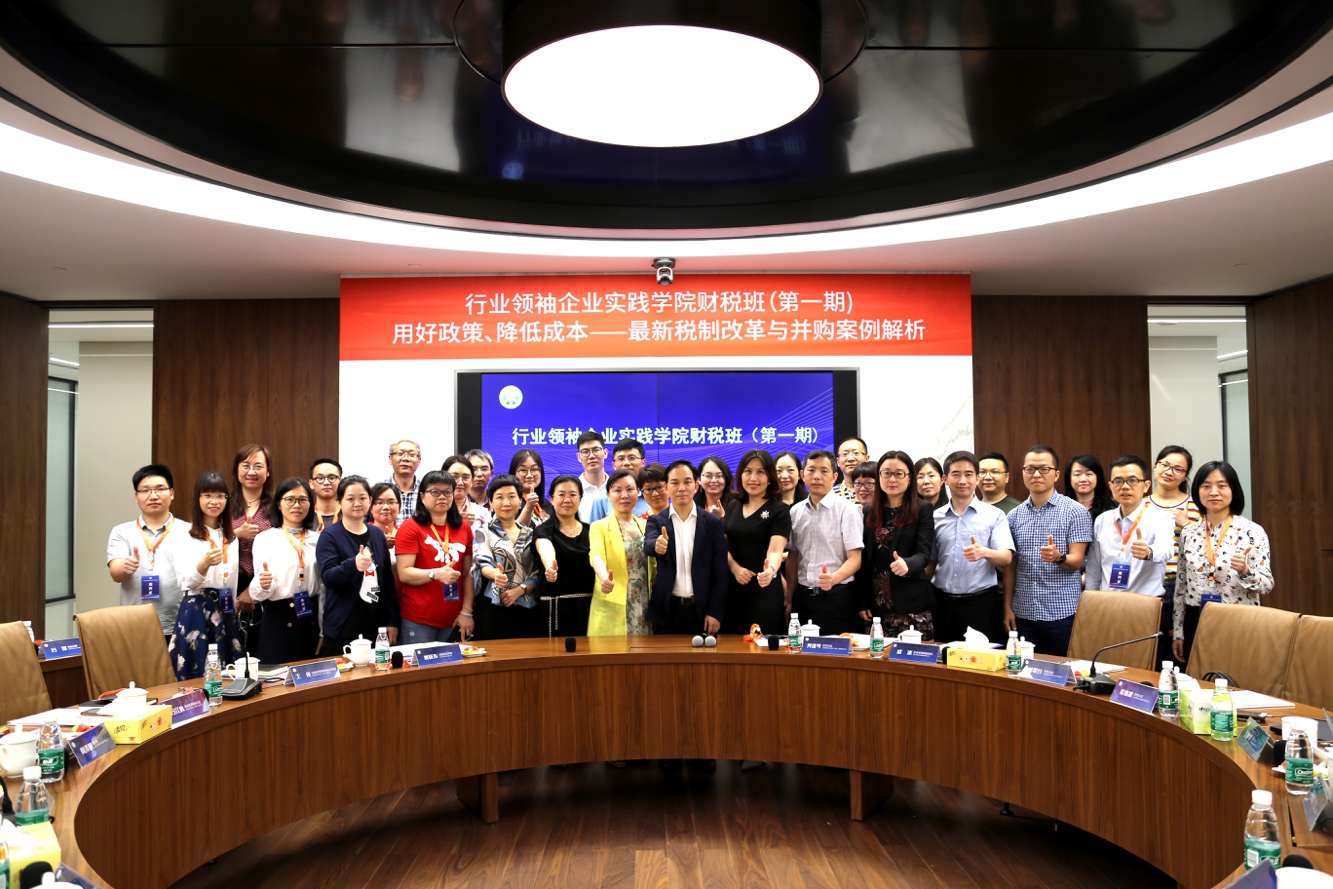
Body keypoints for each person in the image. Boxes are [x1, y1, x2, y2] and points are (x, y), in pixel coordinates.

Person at [1172, 461, 1274, 665]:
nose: (1213, 492)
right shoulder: (1189, 532)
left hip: (1238, 617)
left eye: (1221, 485)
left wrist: (1245, 571)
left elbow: (1267, 585)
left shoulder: (1253, 531)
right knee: (1198, 677)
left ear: (1233, 490)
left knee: (1236, 676)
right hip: (1196, 616)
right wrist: (1178, 632)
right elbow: (1181, 586)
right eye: (1206, 486)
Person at [1004, 446, 1093, 656]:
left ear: (1056, 474)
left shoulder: (1075, 512)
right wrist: (1007, 607)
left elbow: (1077, 561)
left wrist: (1058, 557)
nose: (1036, 474)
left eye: (1044, 469)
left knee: (1064, 669)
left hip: (1062, 612)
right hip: (1024, 611)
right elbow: (1011, 567)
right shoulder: (1014, 516)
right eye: (1030, 469)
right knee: (1024, 669)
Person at [1084, 455, 1176, 657]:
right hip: (1108, 607)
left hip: (1145, 608)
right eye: (1118, 481)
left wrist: (1149, 552)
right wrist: (1092, 603)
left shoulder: (1161, 518)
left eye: (1133, 480)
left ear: (1146, 486)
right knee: (1109, 662)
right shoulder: (1102, 520)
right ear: (1110, 486)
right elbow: (1094, 568)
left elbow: (1166, 549)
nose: (1125, 487)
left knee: (1145, 665)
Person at [930, 451, 1014, 645]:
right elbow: (932, 561)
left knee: (980, 658)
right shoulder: (935, 517)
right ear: (945, 479)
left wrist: (984, 552)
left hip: (981, 603)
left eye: (968, 474)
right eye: (956, 474)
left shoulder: (994, 515)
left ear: (977, 478)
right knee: (943, 657)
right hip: (943, 603)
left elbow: (1006, 558)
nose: (962, 480)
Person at [168, 470, 245, 678]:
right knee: (196, 674)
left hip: (225, 608)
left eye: (220, 496)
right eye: (207, 495)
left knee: (229, 674)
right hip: (197, 608)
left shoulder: (231, 538)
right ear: (198, 498)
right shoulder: (184, 536)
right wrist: (204, 564)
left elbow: (232, 580)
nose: (214, 501)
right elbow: (185, 581)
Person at [856, 450, 936, 638]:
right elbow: (864, 559)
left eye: (899, 473)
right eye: (886, 473)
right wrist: (862, 600)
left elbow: (924, 553)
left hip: (911, 602)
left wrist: (907, 564)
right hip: (876, 603)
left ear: (909, 478)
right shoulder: (869, 510)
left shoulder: (922, 509)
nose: (892, 479)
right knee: (877, 654)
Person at [644, 460, 729, 635]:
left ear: (696, 486)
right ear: (666, 487)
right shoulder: (656, 521)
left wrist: (715, 611)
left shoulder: (712, 523)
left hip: (703, 611)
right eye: (675, 483)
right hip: (668, 611)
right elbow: (648, 544)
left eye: (687, 482)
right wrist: (657, 545)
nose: (681, 488)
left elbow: (720, 572)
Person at [316, 475, 399, 653]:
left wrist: (392, 620)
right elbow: (328, 578)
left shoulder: (377, 534)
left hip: (377, 626)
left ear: (370, 500)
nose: (357, 503)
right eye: (350, 499)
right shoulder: (329, 536)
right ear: (339, 502)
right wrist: (353, 565)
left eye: (362, 498)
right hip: (343, 626)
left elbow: (387, 581)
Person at [785, 450, 864, 635]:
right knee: (799, 649)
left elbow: (855, 559)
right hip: (802, 598)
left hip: (837, 598)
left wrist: (833, 578)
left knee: (836, 649)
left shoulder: (847, 510)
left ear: (835, 477)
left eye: (824, 471)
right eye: (811, 470)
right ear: (802, 475)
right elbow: (793, 557)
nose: (817, 476)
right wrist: (789, 598)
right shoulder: (795, 511)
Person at [394, 471, 476, 644]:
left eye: (447, 492)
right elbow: (404, 573)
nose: (442, 496)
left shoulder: (463, 527)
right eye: (435, 491)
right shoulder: (410, 527)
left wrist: (467, 611)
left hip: (455, 617)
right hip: (419, 618)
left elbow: (468, 573)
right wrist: (435, 574)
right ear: (422, 497)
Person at [107, 464, 185, 641]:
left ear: (172, 493)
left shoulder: (189, 531)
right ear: (136, 497)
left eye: (160, 489)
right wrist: (125, 567)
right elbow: (115, 573)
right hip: (135, 623)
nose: (153, 496)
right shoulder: (121, 532)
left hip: (180, 622)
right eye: (145, 490)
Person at [250, 477, 324, 663]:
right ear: (279, 504)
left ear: (310, 504)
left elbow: (323, 587)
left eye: (302, 500)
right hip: (278, 619)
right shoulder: (265, 539)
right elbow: (259, 592)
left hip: (310, 619)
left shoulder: (318, 540)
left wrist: (323, 629)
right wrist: (263, 584)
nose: (296, 505)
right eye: (290, 499)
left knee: (312, 675)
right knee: (275, 677)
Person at [720, 451, 791, 636]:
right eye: (748, 471)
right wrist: (735, 568)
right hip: (733, 588)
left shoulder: (779, 510)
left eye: (760, 472)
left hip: (764, 589)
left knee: (761, 645)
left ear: (770, 477)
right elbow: (722, 547)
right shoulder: (733, 506)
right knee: (731, 644)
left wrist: (771, 571)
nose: (753, 478)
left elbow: (775, 550)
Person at [1148, 445, 1200, 662]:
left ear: (1185, 476)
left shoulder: (1195, 506)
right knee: (1151, 647)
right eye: (1165, 465)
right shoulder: (1141, 505)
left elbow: (1204, 546)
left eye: (1178, 469)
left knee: (1179, 650)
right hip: (1148, 584)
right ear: (1155, 466)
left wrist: (1187, 524)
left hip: (1179, 584)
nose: (1169, 472)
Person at [472, 474, 540, 639]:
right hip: (492, 607)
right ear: (491, 502)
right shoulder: (483, 531)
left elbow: (538, 572)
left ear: (520, 501)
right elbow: (482, 562)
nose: (506, 503)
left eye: (511, 496)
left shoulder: (531, 533)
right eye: (499, 497)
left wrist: (519, 590)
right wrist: (495, 574)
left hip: (527, 607)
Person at [588, 470, 655, 636]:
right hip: (614, 600)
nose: (624, 495)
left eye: (630, 489)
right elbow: (596, 555)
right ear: (608, 495)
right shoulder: (599, 526)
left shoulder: (646, 525)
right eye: (617, 490)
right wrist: (604, 577)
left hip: (644, 601)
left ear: (638, 492)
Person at [533, 475, 595, 637]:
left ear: (580, 498)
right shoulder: (543, 530)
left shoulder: (591, 531)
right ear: (552, 499)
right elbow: (545, 547)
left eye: (572, 494)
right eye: (561, 494)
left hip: (589, 607)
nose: (567, 499)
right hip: (555, 609)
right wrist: (550, 567)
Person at [230, 444, 274, 649]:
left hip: (265, 585)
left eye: (258, 466)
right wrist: (236, 534)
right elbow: (209, 542)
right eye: (245, 466)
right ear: (237, 469)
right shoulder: (223, 504)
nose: (251, 472)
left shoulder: (277, 506)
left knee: (259, 650)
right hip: (228, 585)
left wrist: (251, 591)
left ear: (268, 471)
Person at [588, 438, 649, 520]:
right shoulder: (602, 500)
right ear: (614, 465)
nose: (626, 463)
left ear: (643, 463)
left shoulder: (651, 497)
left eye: (632, 458)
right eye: (621, 459)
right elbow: (593, 527)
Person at [442, 454, 490, 532]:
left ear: (472, 481)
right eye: (454, 477)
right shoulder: (433, 510)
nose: (460, 482)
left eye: (466, 477)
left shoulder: (481, 512)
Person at [382, 440, 422, 525]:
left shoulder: (426, 490)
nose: (405, 458)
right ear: (390, 459)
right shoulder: (379, 491)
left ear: (419, 461)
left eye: (411, 455)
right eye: (400, 454)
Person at [510, 448, 553, 526]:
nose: (529, 475)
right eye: (523, 470)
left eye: (534, 469)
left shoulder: (546, 504)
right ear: (513, 473)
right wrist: (528, 508)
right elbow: (513, 530)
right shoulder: (509, 503)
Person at [1064, 454, 1116, 518]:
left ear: (1098, 477)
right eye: (1077, 474)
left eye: (1088, 474)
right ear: (1069, 478)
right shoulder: (1062, 508)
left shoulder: (1112, 508)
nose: (1083, 479)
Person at [574, 431, 609, 522]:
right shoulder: (573, 491)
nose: (591, 456)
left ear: (605, 453)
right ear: (579, 457)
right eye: (585, 452)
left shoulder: (617, 488)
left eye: (596, 450)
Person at [368, 483, 401, 564]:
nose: (386, 507)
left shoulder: (405, 534)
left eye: (391, 502)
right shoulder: (362, 532)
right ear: (370, 507)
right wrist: (379, 543)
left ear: (399, 507)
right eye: (379, 502)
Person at [308, 458, 342, 530]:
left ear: (340, 482)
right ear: (311, 483)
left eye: (332, 478)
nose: (326, 482)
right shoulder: (304, 517)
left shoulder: (350, 515)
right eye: (320, 478)